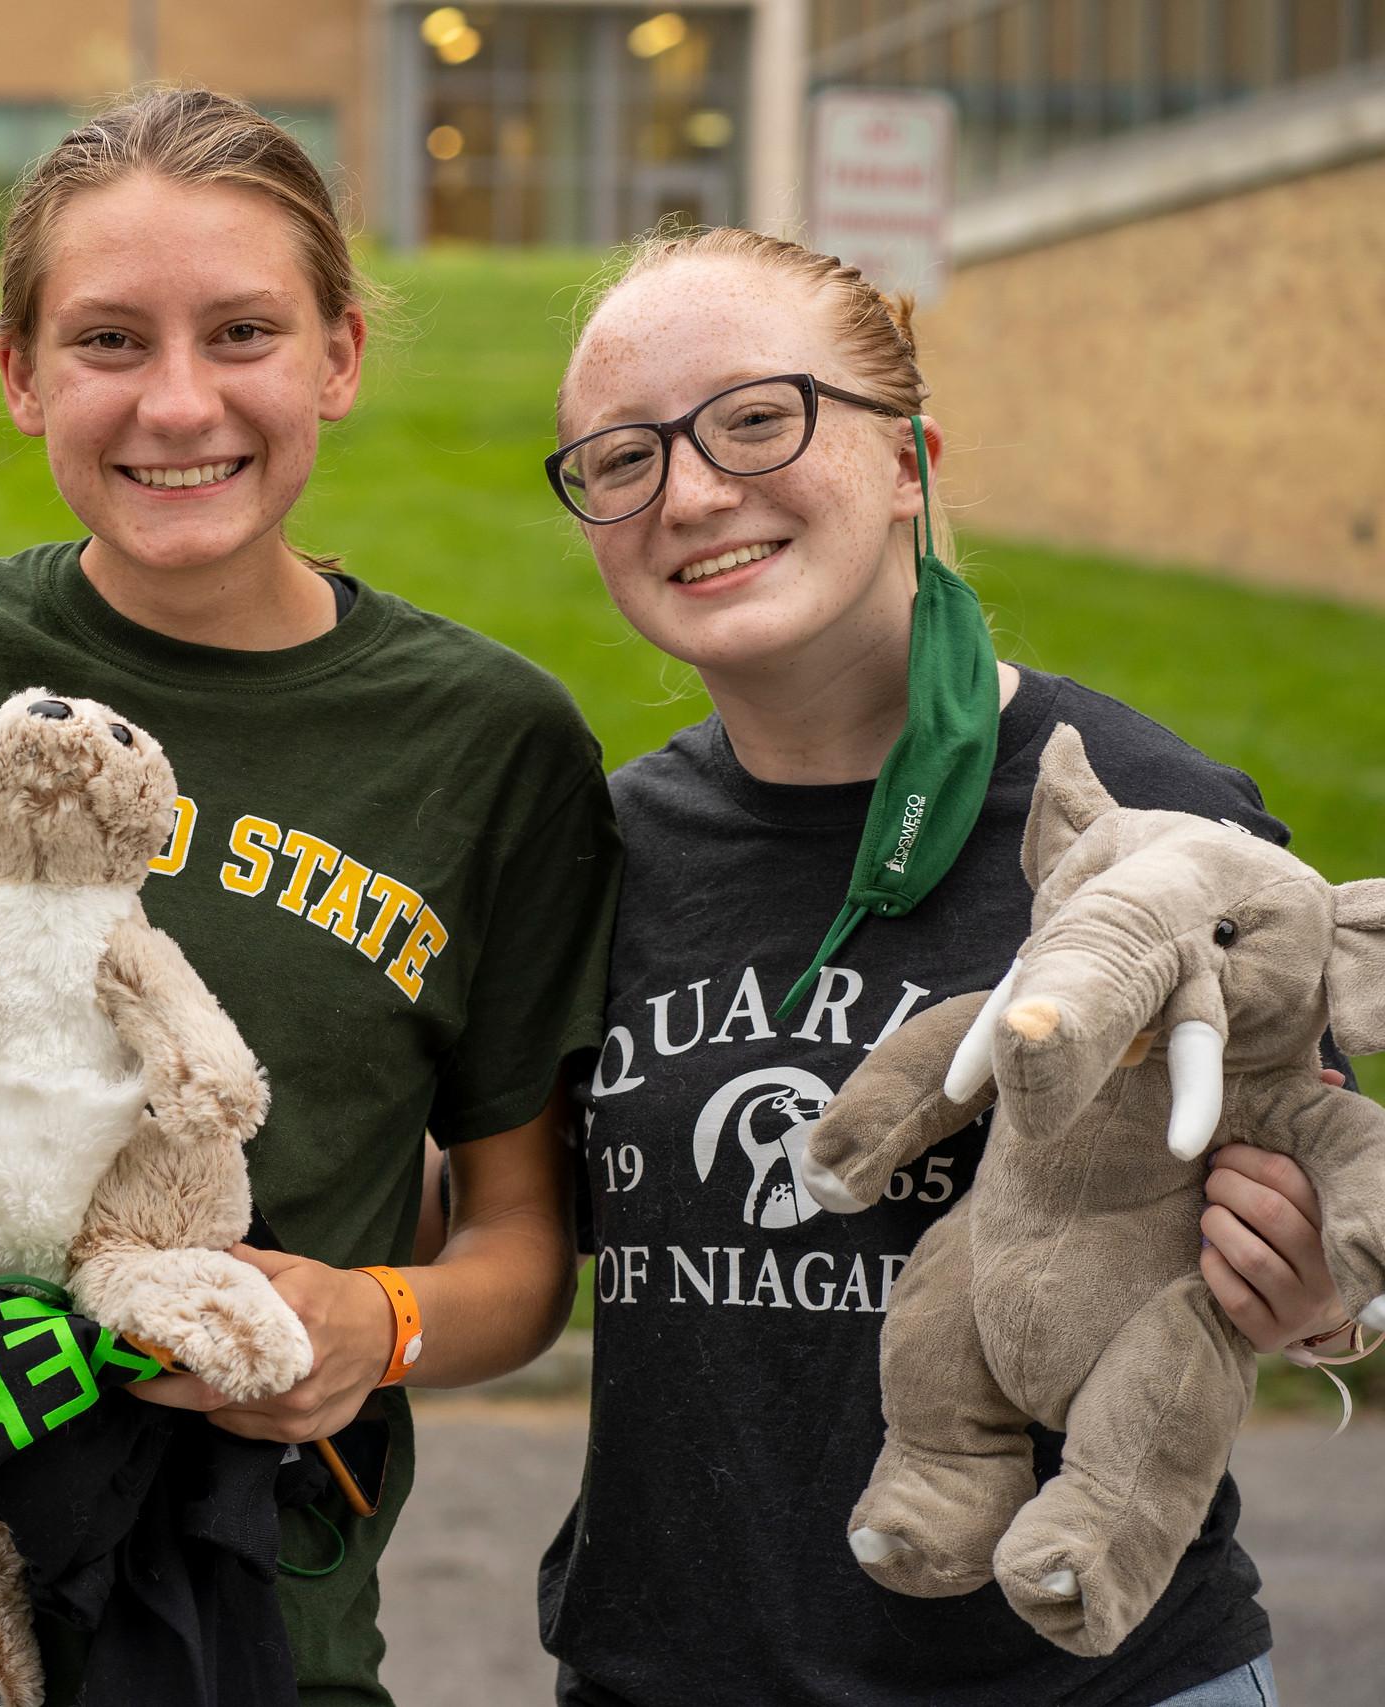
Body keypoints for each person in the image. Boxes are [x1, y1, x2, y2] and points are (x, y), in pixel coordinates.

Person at [0, 87, 618, 1704]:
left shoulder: (487, 743)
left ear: (337, 356)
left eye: (242, 331)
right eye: (109, 340)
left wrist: (372, 1323)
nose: (179, 403)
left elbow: (526, 1252)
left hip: (239, 1621)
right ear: (21, 373)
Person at [538, 225, 1351, 1707]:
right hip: (665, 1679)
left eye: (757, 418)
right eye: (620, 457)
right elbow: (511, 1218)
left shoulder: (1148, 827)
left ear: (909, 455)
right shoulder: (606, 849)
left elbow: (1331, 1191)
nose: (693, 490)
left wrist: (1320, 1297)